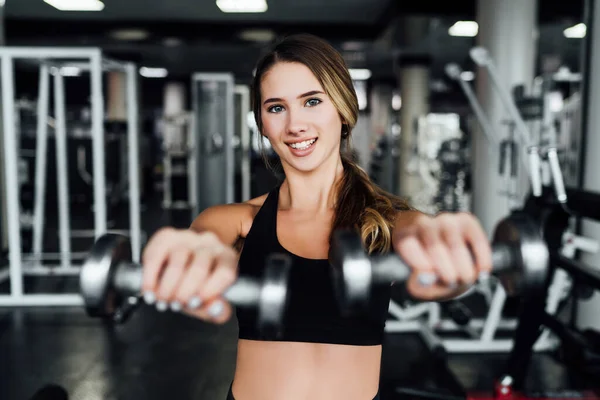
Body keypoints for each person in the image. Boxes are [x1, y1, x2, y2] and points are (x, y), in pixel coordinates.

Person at [140, 33, 493, 400]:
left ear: (342, 109)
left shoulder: (387, 222)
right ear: (261, 123)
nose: (295, 125)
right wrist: (190, 258)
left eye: (311, 102)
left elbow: (426, 242)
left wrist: (448, 255)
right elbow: (202, 243)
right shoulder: (236, 221)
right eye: (276, 108)